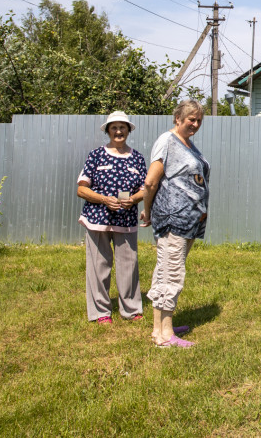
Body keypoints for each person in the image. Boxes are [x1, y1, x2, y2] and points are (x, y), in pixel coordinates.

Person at [141, 99, 209, 348]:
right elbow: (151, 182)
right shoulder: (167, 141)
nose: (195, 124)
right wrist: (147, 211)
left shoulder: (187, 144)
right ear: (177, 118)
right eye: (191, 119)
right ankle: (166, 336)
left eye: (199, 120)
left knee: (164, 271)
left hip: (188, 220)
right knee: (172, 274)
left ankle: (158, 328)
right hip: (174, 219)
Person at [76, 111, 147, 324]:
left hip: (126, 219)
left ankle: (131, 309)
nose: (118, 131)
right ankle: (101, 312)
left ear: (128, 130)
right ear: (108, 131)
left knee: (129, 266)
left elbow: (145, 189)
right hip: (98, 218)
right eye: (114, 127)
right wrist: (104, 199)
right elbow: (81, 189)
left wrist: (133, 199)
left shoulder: (137, 158)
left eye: (122, 127)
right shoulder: (96, 155)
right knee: (99, 266)